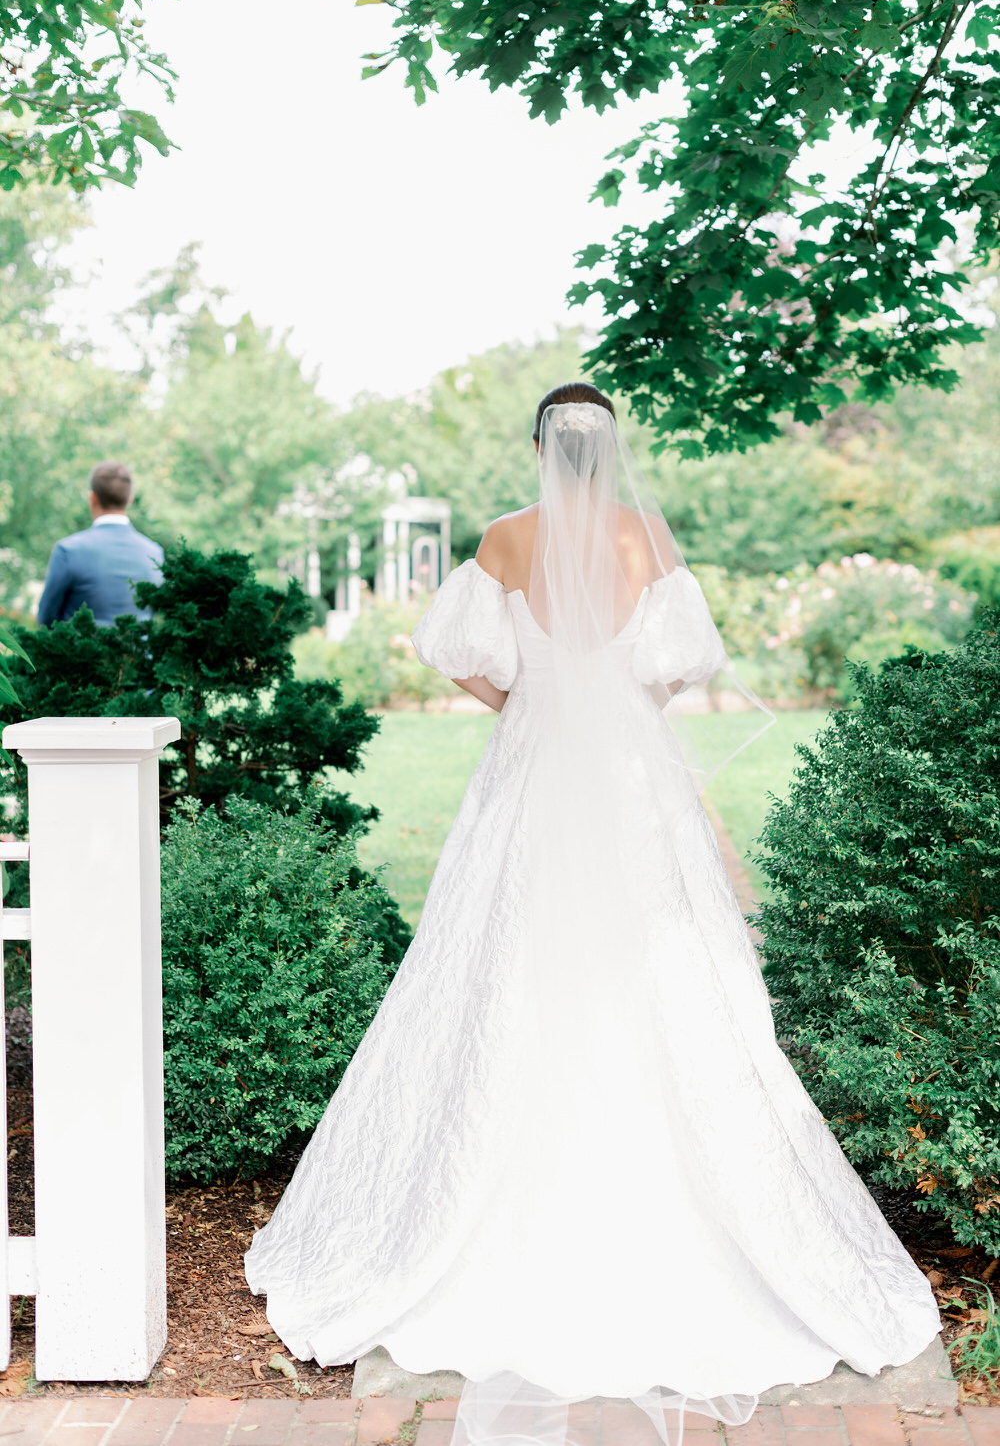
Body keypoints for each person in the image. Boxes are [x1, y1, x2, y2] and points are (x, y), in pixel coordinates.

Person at [244, 384, 939, 1446]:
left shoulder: (503, 541)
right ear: (611, 452)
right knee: (664, 969)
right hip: (624, 765)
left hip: (531, 766)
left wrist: (527, 701)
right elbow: (680, 667)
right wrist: (612, 704)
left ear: (537, 448)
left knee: (501, 958)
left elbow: (452, 653)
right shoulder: (646, 536)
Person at [37, 461, 164, 628]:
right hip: (139, 653)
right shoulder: (154, 553)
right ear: (130, 500)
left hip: (81, 652)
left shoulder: (68, 550)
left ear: (92, 498)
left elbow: (46, 618)